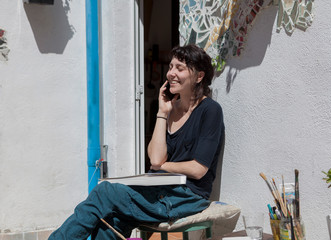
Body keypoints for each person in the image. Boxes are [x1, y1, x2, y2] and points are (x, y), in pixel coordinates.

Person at [49, 44, 225, 239]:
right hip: (160, 188)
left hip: (186, 196)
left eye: (180, 68)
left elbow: (198, 169)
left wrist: (163, 166)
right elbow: (156, 160)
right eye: (171, 66)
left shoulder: (210, 110)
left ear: (199, 77)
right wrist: (162, 113)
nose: (171, 73)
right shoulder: (169, 108)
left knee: (104, 192)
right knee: (113, 219)